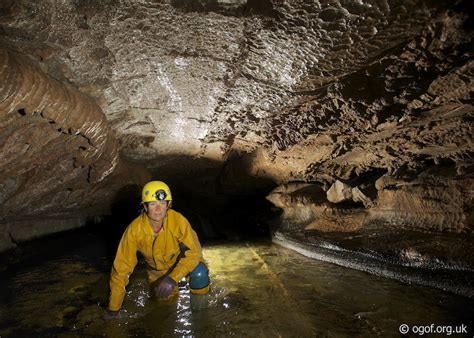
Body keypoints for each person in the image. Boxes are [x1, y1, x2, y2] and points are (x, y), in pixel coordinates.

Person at [103, 181, 210, 319]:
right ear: (145, 206)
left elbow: (194, 253)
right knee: (165, 311)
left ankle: (200, 317)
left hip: (181, 264)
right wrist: (113, 308)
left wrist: (172, 279)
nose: (158, 209)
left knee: (200, 273)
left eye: (162, 203)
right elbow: (121, 269)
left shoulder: (178, 221)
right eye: (153, 204)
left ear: (168, 205)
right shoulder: (134, 230)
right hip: (157, 272)